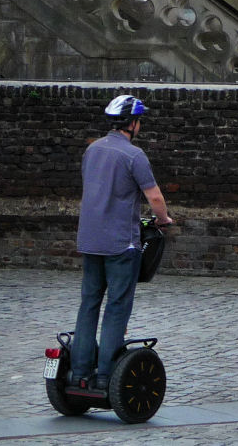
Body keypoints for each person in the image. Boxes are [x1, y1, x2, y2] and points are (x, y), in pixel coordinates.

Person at [68, 94, 173, 391]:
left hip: (89, 239)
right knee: (116, 306)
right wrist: (163, 219)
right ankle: (104, 375)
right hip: (120, 243)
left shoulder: (92, 151)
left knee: (89, 304)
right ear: (133, 124)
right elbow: (154, 198)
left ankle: (79, 373)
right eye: (140, 121)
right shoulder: (134, 155)